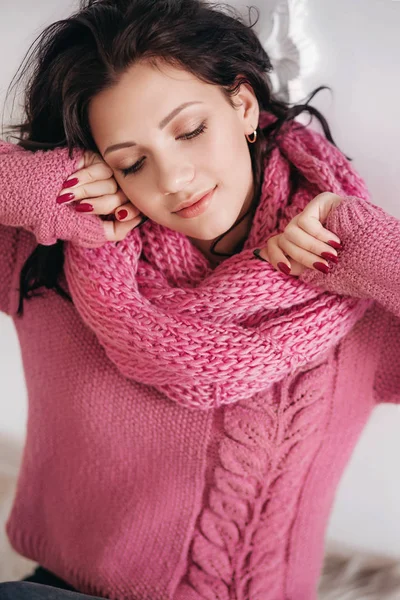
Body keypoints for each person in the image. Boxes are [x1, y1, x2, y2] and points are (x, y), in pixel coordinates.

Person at [0, 0, 399, 599]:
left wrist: (373, 248)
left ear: (242, 104)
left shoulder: (355, 293)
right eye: (132, 162)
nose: (174, 178)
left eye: (190, 130)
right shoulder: (52, 253)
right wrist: (24, 185)